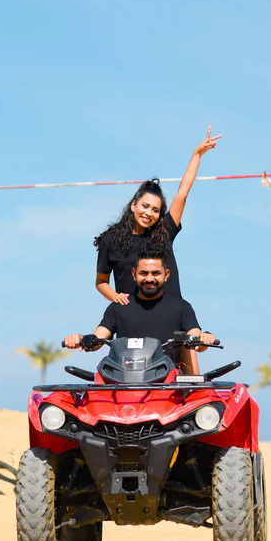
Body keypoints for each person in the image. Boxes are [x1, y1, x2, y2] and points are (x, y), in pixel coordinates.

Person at [92, 125, 221, 370]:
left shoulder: (163, 235)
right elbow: (101, 282)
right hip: (133, 326)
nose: (149, 213)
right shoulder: (110, 241)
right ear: (133, 205)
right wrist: (116, 298)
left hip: (174, 323)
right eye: (144, 206)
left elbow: (182, 195)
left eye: (155, 210)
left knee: (191, 383)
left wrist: (197, 155)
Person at [65, 250, 216, 367]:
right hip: (124, 385)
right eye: (144, 273)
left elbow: (196, 340)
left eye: (155, 273)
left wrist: (204, 338)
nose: (149, 278)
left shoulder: (182, 307)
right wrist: (81, 340)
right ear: (134, 274)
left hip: (169, 389)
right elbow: (97, 339)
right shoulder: (119, 307)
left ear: (166, 275)